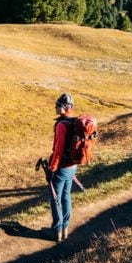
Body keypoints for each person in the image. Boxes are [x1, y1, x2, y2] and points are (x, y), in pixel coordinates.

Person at [48, 92, 78, 243]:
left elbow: (58, 149)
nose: (55, 107)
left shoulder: (61, 125)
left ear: (64, 107)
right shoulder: (73, 122)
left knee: (55, 199)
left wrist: (52, 168)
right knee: (66, 196)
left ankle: (56, 230)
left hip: (61, 168)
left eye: (58, 105)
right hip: (72, 167)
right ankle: (65, 229)